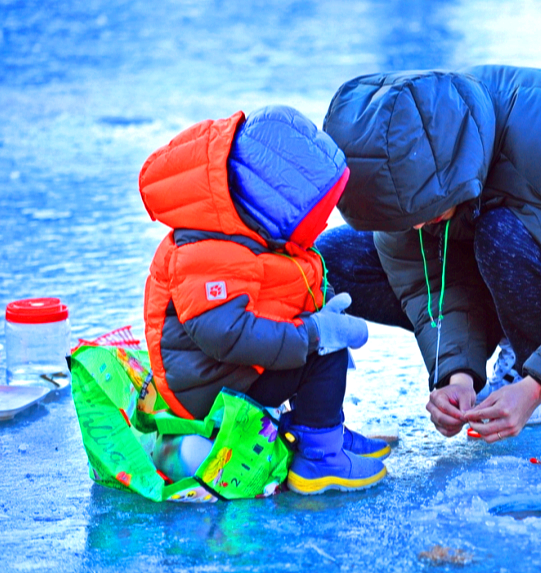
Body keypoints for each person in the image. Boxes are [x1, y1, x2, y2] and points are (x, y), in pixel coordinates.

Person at [316, 65, 541, 443]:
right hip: (488, 231)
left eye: (420, 213)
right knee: (326, 262)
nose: (416, 226)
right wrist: (457, 376)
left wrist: (538, 386)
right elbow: (430, 282)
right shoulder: (402, 178)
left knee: (499, 235)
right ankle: (505, 330)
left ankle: (535, 357)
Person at [138, 105, 389, 494]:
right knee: (322, 354)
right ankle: (319, 459)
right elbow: (227, 335)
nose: (322, 224)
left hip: (227, 374)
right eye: (315, 214)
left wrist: (319, 309)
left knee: (323, 347)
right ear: (276, 203)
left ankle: (322, 428)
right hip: (207, 392)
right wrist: (313, 333)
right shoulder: (205, 254)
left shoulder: (250, 236)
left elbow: (282, 290)